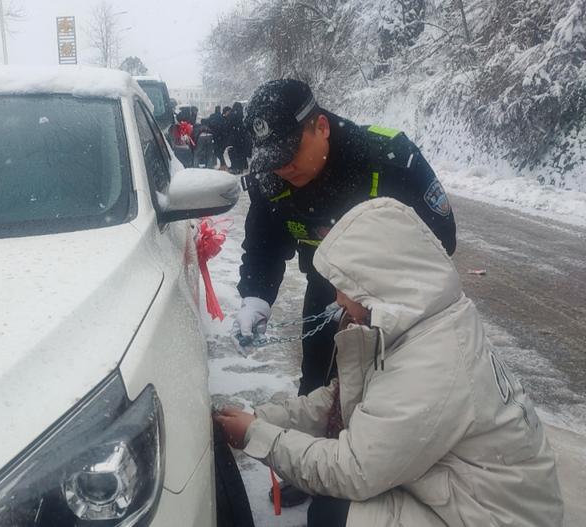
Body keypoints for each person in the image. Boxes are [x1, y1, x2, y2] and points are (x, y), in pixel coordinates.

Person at [216, 197, 564, 527]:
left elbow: (352, 471)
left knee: (335, 512)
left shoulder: (431, 366)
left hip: (493, 517)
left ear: (378, 280)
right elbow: (343, 400)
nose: (336, 297)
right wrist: (263, 418)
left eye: (344, 284)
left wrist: (256, 436)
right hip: (470, 494)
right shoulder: (422, 323)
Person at [233, 78, 457, 506]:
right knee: (318, 381)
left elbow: (441, 238)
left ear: (321, 126)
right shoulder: (272, 177)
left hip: (395, 303)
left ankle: (381, 468)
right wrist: (255, 296)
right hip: (326, 292)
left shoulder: (387, 158)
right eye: (273, 160)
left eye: (289, 154)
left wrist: (371, 279)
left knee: (382, 391)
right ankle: (310, 470)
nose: (283, 169)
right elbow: (262, 243)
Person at [226, 101, 251, 174]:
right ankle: (242, 166)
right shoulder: (244, 114)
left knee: (233, 152)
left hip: (234, 137)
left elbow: (228, 126)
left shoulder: (231, 114)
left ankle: (235, 167)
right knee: (242, 152)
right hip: (243, 136)